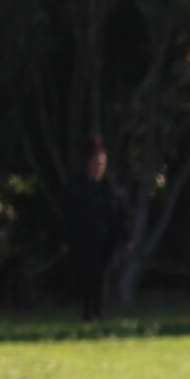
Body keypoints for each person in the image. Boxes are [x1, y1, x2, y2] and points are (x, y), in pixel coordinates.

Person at [61, 137, 126, 321]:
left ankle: (97, 311)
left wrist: (124, 237)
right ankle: (87, 311)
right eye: (96, 163)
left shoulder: (110, 188)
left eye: (102, 163)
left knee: (101, 277)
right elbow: (68, 217)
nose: (99, 167)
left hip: (104, 242)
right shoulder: (76, 188)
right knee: (85, 277)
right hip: (82, 241)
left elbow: (119, 215)